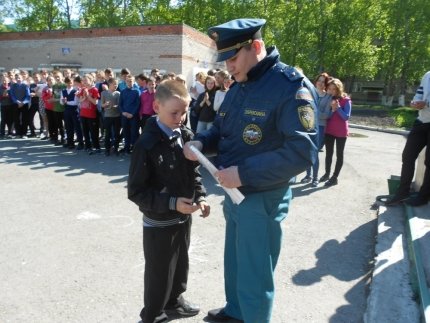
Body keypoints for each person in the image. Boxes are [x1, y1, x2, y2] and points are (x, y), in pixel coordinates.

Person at [183, 18, 318, 323]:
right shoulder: (239, 86)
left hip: (262, 194)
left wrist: (243, 174)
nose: (228, 66)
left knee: (255, 271)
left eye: (232, 57)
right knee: (235, 260)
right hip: (233, 192)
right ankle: (236, 311)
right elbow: (221, 128)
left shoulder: (290, 87)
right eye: (225, 60)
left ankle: (252, 316)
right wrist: (201, 143)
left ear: (256, 47)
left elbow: (301, 152)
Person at [128, 80, 210, 323]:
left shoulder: (185, 134)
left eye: (184, 112)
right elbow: (136, 191)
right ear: (156, 107)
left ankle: (174, 302)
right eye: (174, 112)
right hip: (159, 222)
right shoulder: (146, 144)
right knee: (159, 272)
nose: (180, 117)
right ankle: (153, 314)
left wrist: (202, 196)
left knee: (180, 264)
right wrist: (172, 203)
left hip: (183, 217)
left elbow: (194, 171)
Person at [386, 71, 430, 206]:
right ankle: (402, 192)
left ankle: (423, 197)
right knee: (408, 156)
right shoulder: (427, 75)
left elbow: (426, 101)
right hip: (422, 120)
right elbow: (420, 93)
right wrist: (415, 102)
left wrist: (426, 104)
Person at [301, 72, 332, 186]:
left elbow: (327, 115)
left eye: (323, 81)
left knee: (315, 152)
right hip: (308, 125)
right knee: (307, 151)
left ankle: (315, 178)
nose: (320, 83)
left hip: (320, 127)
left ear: (326, 84)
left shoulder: (328, 97)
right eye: (319, 80)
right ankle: (308, 175)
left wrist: (313, 112)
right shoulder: (309, 92)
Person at [319, 78, 352, 187]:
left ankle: (334, 177)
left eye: (334, 89)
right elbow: (326, 113)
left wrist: (337, 108)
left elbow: (346, 117)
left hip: (341, 132)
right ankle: (327, 174)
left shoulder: (346, 100)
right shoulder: (329, 98)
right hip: (329, 130)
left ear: (339, 89)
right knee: (328, 154)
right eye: (330, 89)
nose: (332, 91)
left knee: (339, 155)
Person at [119, 74, 140, 154]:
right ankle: (126, 148)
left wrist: (132, 114)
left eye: (131, 81)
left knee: (134, 133)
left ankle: (134, 149)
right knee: (126, 132)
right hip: (124, 115)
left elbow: (138, 104)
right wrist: (123, 112)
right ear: (125, 82)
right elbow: (120, 104)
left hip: (133, 116)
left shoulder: (136, 91)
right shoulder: (123, 92)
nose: (129, 82)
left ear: (133, 82)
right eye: (128, 81)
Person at [101, 77, 121, 156]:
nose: (116, 85)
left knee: (116, 134)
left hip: (116, 116)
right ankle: (107, 149)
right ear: (109, 84)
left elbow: (119, 105)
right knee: (107, 134)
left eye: (117, 84)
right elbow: (102, 105)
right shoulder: (104, 93)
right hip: (107, 116)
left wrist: (115, 106)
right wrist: (105, 104)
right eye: (114, 84)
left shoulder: (118, 93)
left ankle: (116, 148)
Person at [9, 73, 30, 138]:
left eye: (19, 78)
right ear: (15, 79)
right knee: (16, 119)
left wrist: (23, 102)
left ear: (22, 78)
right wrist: (17, 101)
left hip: (24, 104)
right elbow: (12, 95)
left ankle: (24, 133)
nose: (18, 79)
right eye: (17, 78)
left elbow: (28, 95)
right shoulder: (13, 86)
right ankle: (18, 133)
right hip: (15, 104)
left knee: (24, 119)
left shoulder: (25, 86)